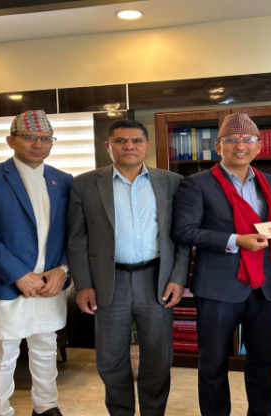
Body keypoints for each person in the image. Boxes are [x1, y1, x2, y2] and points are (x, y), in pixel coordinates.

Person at [66, 119, 189, 416]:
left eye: (136, 140)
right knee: (109, 359)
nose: (129, 146)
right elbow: (76, 238)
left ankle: (153, 412)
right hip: (109, 282)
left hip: (156, 279)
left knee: (158, 357)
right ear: (108, 147)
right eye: (120, 141)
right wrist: (83, 284)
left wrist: (178, 277)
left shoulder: (172, 182)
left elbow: (182, 235)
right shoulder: (85, 183)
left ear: (147, 146)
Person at [171, 113, 271, 416]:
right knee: (213, 363)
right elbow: (184, 231)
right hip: (219, 287)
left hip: (266, 285)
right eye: (231, 139)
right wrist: (236, 240)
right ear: (218, 146)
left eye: (248, 140)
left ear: (258, 146)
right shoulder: (196, 183)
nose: (240, 145)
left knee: (265, 361)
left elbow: (268, 226)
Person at [0, 110, 72, 416]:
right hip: (5, 283)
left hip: (49, 283)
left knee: (46, 347)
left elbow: (75, 231)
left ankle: (46, 406)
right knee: (3, 352)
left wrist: (63, 270)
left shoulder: (64, 180)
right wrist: (18, 274)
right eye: (29, 137)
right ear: (11, 141)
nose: (38, 144)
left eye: (46, 139)